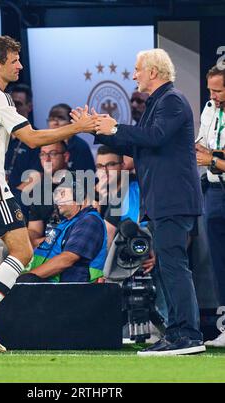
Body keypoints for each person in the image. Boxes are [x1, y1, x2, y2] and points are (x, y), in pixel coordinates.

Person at [0, 35, 96, 354]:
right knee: (22, 252)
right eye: (14, 60)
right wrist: (77, 128)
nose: (20, 65)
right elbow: (31, 139)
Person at [72, 48, 205, 356]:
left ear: (153, 72)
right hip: (163, 200)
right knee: (169, 268)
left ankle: (187, 334)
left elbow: (154, 136)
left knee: (174, 267)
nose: (133, 75)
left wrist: (115, 128)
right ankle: (177, 333)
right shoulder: (157, 103)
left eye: (137, 70)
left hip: (173, 200)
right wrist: (98, 128)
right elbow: (137, 141)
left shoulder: (171, 101)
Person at [19, 172, 107, 283]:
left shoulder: (89, 221)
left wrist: (28, 277)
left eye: (63, 193)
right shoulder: (66, 223)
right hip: (45, 288)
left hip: (69, 293)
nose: (56, 199)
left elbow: (67, 259)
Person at [195, 65, 225, 347]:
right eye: (211, 90)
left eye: (219, 90)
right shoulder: (208, 110)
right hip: (215, 191)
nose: (214, 95)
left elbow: (211, 156)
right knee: (219, 261)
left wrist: (213, 160)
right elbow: (203, 146)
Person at [5, 83, 41, 218]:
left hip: (22, 204)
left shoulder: (38, 138)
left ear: (29, 107)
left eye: (18, 104)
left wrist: (12, 198)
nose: (14, 108)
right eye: (11, 104)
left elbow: (36, 177)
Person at [27, 141, 70, 247]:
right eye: (43, 154)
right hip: (44, 248)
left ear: (66, 156)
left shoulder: (79, 184)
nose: (47, 160)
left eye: (53, 153)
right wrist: (26, 238)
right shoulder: (38, 190)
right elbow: (34, 230)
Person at [40, 103, 96, 172]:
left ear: (71, 122)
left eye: (60, 118)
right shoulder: (43, 145)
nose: (55, 123)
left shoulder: (81, 147)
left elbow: (88, 178)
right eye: (51, 119)